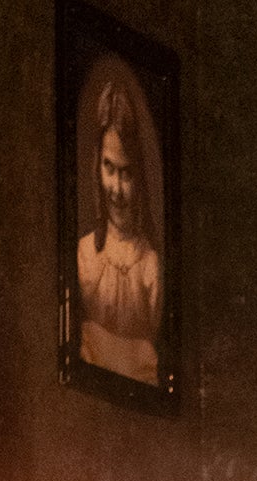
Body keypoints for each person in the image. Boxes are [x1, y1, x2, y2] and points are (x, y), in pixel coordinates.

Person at [77, 72, 161, 385]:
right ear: (97, 165)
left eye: (126, 173)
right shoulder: (85, 254)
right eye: (109, 168)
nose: (116, 188)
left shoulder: (150, 267)